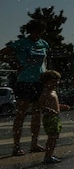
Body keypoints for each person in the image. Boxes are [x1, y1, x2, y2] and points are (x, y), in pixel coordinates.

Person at [2, 19, 49, 156]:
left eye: (41, 33)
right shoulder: (21, 43)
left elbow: (45, 61)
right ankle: (16, 146)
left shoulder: (43, 43)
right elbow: (2, 53)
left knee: (36, 114)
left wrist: (46, 74)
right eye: (36, 32)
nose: (38, 35)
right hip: (25, 82)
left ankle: (34, 143)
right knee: (21, 114)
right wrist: (14, 64)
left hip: (39, 82)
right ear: (31, 31)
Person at [36, 70, 69, 164]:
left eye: (57, 81)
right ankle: (48, 156)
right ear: (46, 82)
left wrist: (61, 106)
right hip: (49, 118)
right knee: (52, 137)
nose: (57, 83)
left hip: (55, 117)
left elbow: (54, 104)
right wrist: (47, 110)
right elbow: (39, 105)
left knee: (54, 137)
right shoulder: (45, 93)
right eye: (54, 81)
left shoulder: (53, 92)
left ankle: (49, 155)